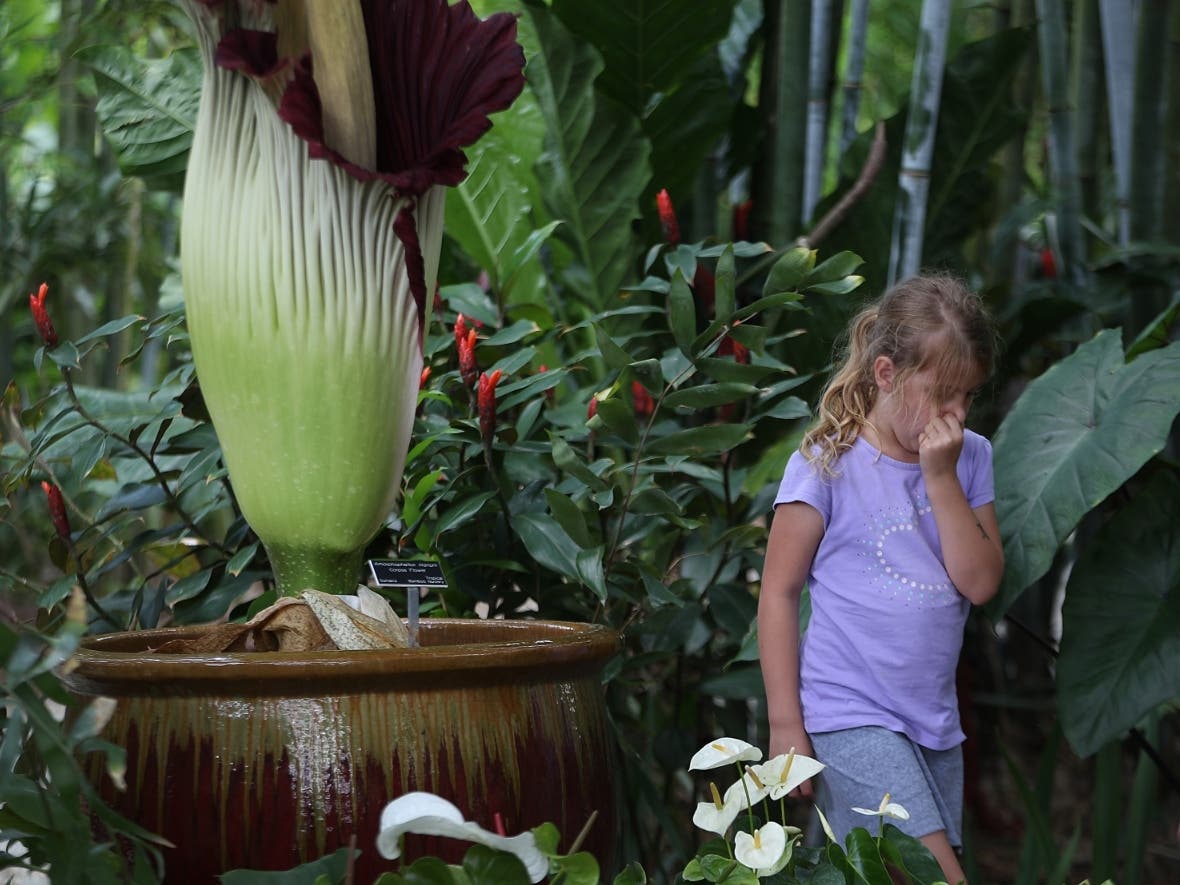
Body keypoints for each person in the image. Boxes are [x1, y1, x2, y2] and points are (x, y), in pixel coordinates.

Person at [757, 274, 1003, 885]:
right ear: (887, 373)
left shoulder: (970, 457)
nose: (956, 413)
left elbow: (980, 583)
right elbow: (779, 593)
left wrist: (940, 478)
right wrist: (786, 723)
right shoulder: (826, 464)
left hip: (934, 721)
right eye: (941, 393)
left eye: (967, 396)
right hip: (849, 713)